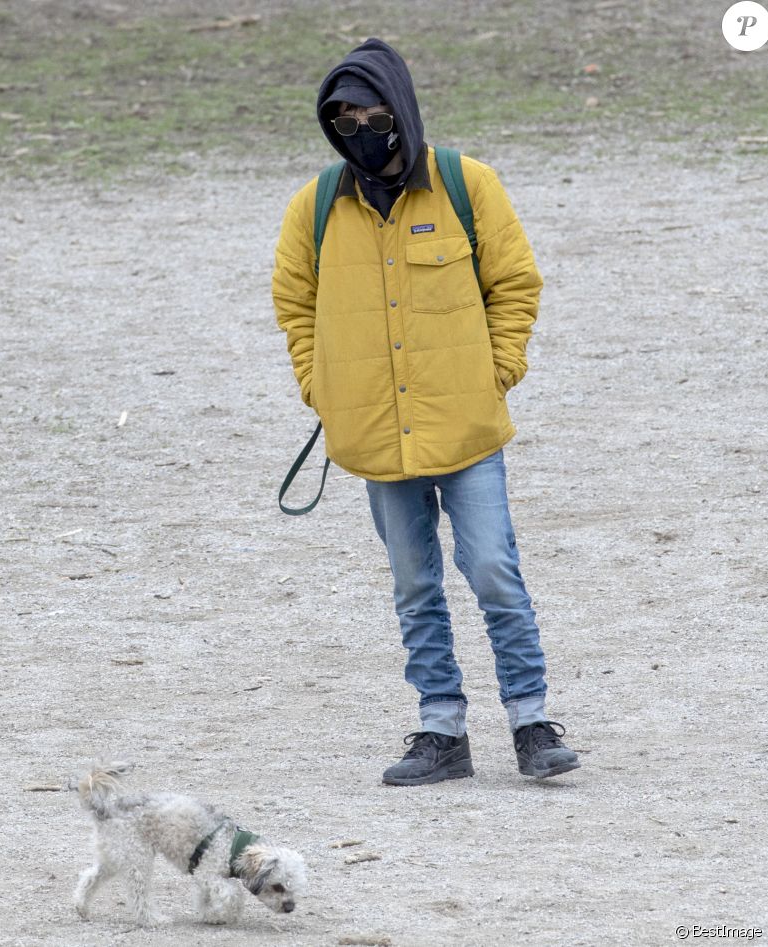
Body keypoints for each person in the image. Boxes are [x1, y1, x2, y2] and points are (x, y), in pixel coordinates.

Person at [272, 38, 580, 785]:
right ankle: (441, 730)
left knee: (494, 569)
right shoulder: (314, 207)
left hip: (467, 426)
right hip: (375, 436)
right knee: (414, 584)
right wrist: (326, 391)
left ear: (400, 109)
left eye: (369, 112)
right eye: (341, 118)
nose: (358, 128)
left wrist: (496, 372)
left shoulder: (468, 185)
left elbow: (516, 284)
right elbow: (295, 306)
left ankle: (532, 721)